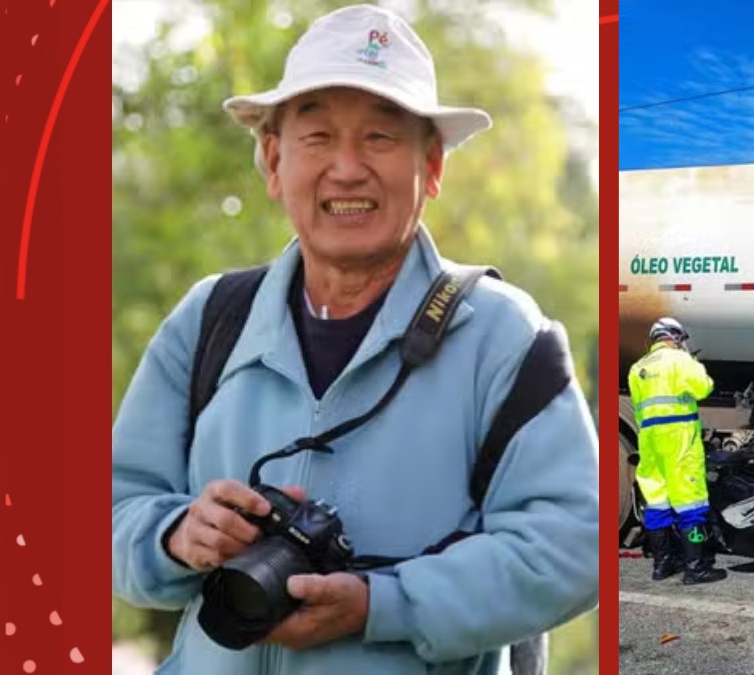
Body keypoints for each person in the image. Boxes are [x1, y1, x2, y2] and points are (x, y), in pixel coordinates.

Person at [111, 6, 599, 674]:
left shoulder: (505, 336)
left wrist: (382, 604)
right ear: (273, 161)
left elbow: (575, 545)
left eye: (379, 137)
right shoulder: (207, 320)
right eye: (317, 136)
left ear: (431, 167)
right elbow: (106, 514)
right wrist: (174, 535)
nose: (347, 168)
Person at [627, 317, 726, 584]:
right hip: (679, 437)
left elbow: (638, 407)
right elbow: (704, 387)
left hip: (649, 438)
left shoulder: (637, 368)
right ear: (675, 337)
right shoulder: (679, 360)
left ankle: (662, 565)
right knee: (690, 503)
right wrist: (692, 362)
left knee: (657, 501)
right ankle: (696, 568)